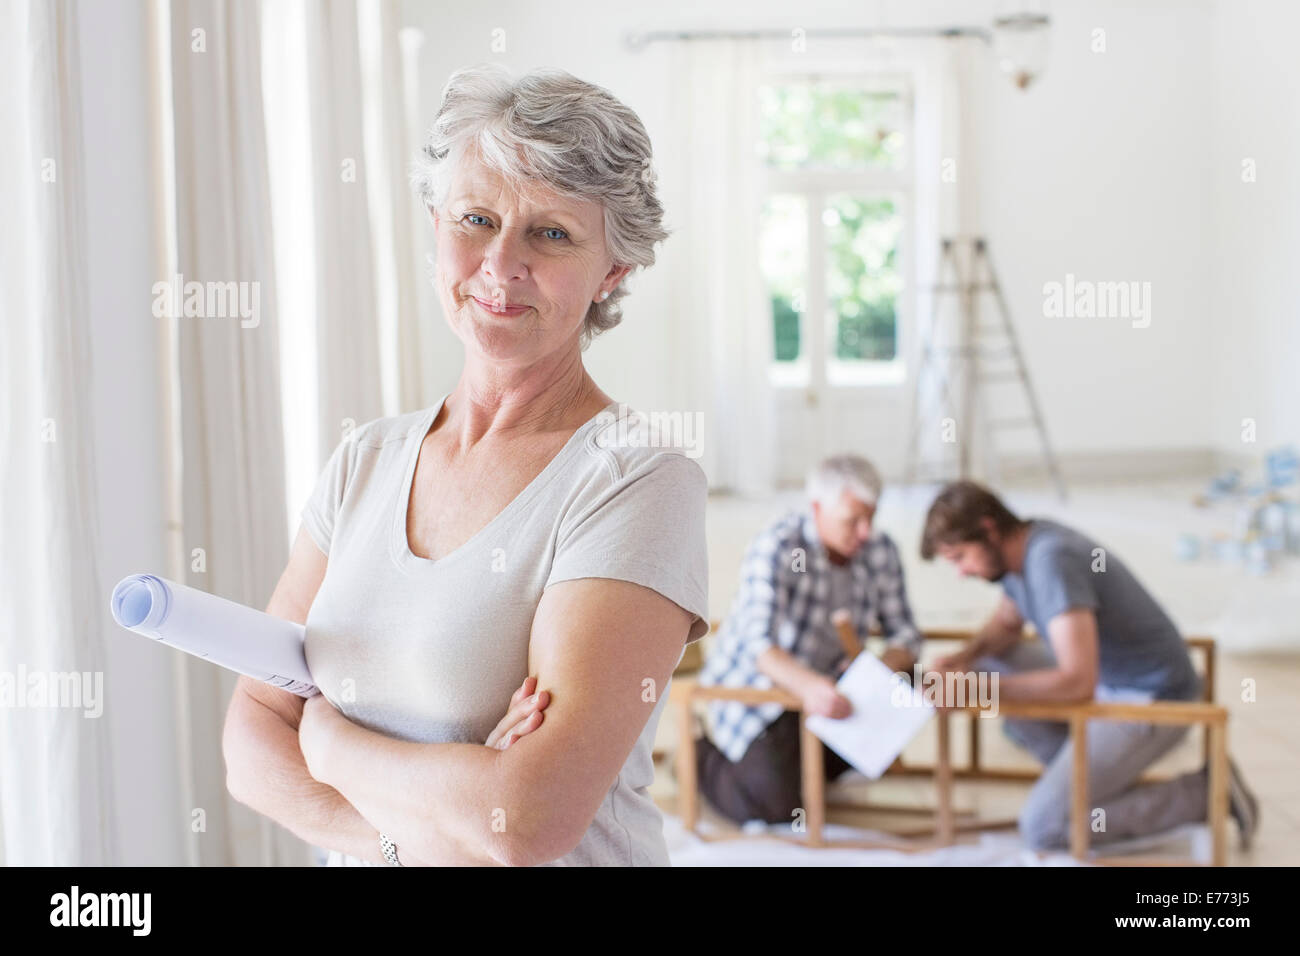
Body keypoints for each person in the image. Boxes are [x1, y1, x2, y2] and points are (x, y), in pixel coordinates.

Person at [222, 64, 708, 867]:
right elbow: (249, 740)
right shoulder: (364, 462)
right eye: (476, 218)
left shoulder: (635, 481)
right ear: (436, 226)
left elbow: (523, 823)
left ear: (613, 272)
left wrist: (327, 738)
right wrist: (410, 835)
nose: (501, 265)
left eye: (551, 233)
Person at [920, 480, 1259, 851]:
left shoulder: (1051, 560)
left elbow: (1078, 682)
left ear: (988, 529)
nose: (961, 572)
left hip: (1152, 697)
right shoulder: (1021, 551)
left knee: (1043, 828)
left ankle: (1206, 792)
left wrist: (977, 692)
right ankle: (1089, 781)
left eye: (959, 557)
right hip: (1111, 681)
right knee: (987, 663)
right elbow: (1006, 624)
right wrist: (961, 660)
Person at [694, 455, 922, 825]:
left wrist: (878, 668)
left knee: (910, 679)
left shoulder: (880, 549)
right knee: (775, 805)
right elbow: (759, 647)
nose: (865, 531)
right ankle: (698, 755)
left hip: (836, 689)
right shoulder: (780, 545)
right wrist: (811, 687)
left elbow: (906, 635)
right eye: (853, 521)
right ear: (817, 508)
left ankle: (810, 765)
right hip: (768, 691)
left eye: (871, 517)